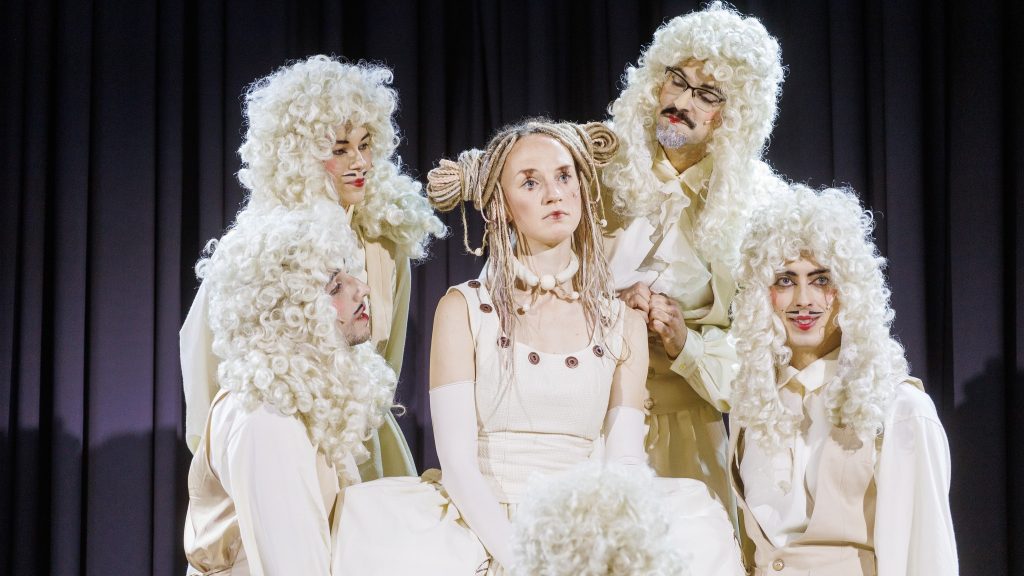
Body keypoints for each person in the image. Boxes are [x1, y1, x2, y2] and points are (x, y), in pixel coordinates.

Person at [332, 119, 743, 576]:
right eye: (530, 182)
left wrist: (591, 550)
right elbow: (458, 465)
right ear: (503, 206)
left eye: (564, 176)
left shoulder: (621, 321)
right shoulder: (463, 309)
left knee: (697, 539)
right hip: (482, 520)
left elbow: (624, 462)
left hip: (584, 523)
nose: (554, 194)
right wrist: (524, 562)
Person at [180, 55, 444, 481]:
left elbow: (387, 362)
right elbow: (204, 362)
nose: (359, 162)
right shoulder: (257, 250)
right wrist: (223, 458)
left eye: (365, 144)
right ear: (298, 155)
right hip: (279, 449)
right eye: (339, 150)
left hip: (362, 446)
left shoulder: (384, 246)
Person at [599, 2, 788, 515]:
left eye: (706, 95)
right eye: (677, 81)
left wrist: (686, 344)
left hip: (684, 433)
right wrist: (606, 309)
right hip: (584, 415)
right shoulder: (597, 171)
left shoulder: (757, 208)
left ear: (735, 114)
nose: (681, 102)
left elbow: (765, 349)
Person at [728, 185, 958, 575]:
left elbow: (927, 558)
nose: (804, 300)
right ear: (760, 294)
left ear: (852, 289)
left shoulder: (901, 409)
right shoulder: (751, 406)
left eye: (821, 280)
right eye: (785, 280)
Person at [183, 202, 398, 574]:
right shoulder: (266, 417)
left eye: (350, 274)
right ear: (286, 312)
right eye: (335, 286)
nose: (362, 289)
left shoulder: (302, 396)